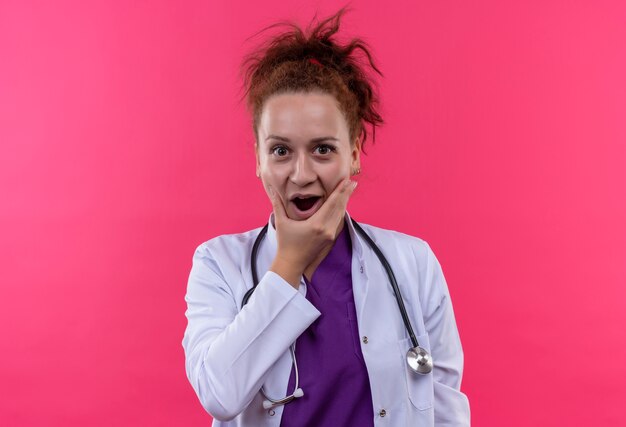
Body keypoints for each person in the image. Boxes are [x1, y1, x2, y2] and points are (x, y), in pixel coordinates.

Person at [182, 7, 470, 426]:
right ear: (258, 159)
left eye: (323, 149)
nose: (302, 175)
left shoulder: (413, 262)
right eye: (280, 150)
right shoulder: (218, 264)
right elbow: (219, 395)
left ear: (353, 153)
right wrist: (287, 267)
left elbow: (446, 408)